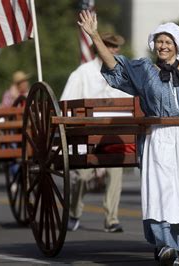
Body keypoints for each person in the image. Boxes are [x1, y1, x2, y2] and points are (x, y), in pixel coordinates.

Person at [78, 11, 179, 265]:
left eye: (168, 41)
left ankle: (174, 247)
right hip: (160, 137)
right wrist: (94, 36)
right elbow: (114, 66)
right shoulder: (145, 70)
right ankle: (164, 244)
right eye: (159, 41)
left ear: (177, 45)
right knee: (161, 192)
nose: (163, 46)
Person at [61, 32, 132, 233]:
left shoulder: (121, 73)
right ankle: (74, 212)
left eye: (115, 47)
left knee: (116, 171)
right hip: (87, 134)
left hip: (112, 133)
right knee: (82, 177)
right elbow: (66, 103)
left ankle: (111, 218)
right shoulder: (82, 73)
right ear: (99, 47)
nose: (114, 50)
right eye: (109, 46)